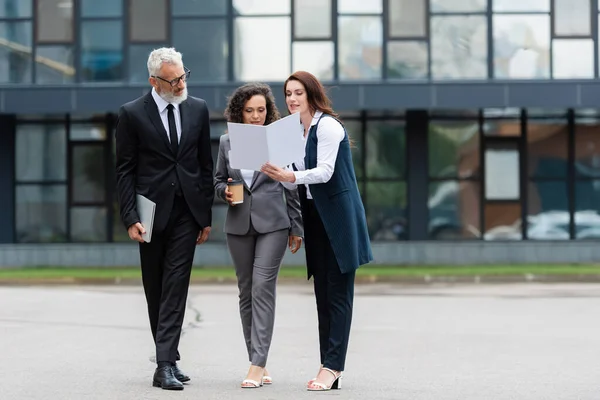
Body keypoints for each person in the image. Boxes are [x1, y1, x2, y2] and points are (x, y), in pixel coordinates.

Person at [261, 71, 373, 391]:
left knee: (338, 294)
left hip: (338, 216)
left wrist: (289, 177)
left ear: (312, 94)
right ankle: (328, 365)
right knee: (322, 294)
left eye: (298, 93)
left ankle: (333, 366)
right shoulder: (293, 129)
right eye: (288, 94)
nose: (292, 99)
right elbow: (286, 169)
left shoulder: (328, 126)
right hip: (314, 216)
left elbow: (323, 172)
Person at [115, 47, 214, 391]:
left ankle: (165, 364)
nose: (180, 84)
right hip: (150, 214)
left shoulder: (198, 109)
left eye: (184, 76)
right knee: (155, 286)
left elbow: (204, 164)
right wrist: (129, 216)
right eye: (173, 80)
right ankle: (167, 354)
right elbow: (125, 170)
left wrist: (205, 214)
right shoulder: (131, 114)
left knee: (176, 284)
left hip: (187, 211)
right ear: (154, 81)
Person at [214, 83, 304, 388]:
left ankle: (257, 364)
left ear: (268, 112)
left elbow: (291, 185)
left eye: (261, 110)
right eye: (250, 110)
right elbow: (217, 179)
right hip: (238, 224)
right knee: (246, 291)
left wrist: (296, 225)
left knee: (263, 287)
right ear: (240, 111)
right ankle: (257, 357)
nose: (255, 116)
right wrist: (223, 191)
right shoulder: (227, 141)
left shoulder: (279, 139)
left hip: (273, 226)